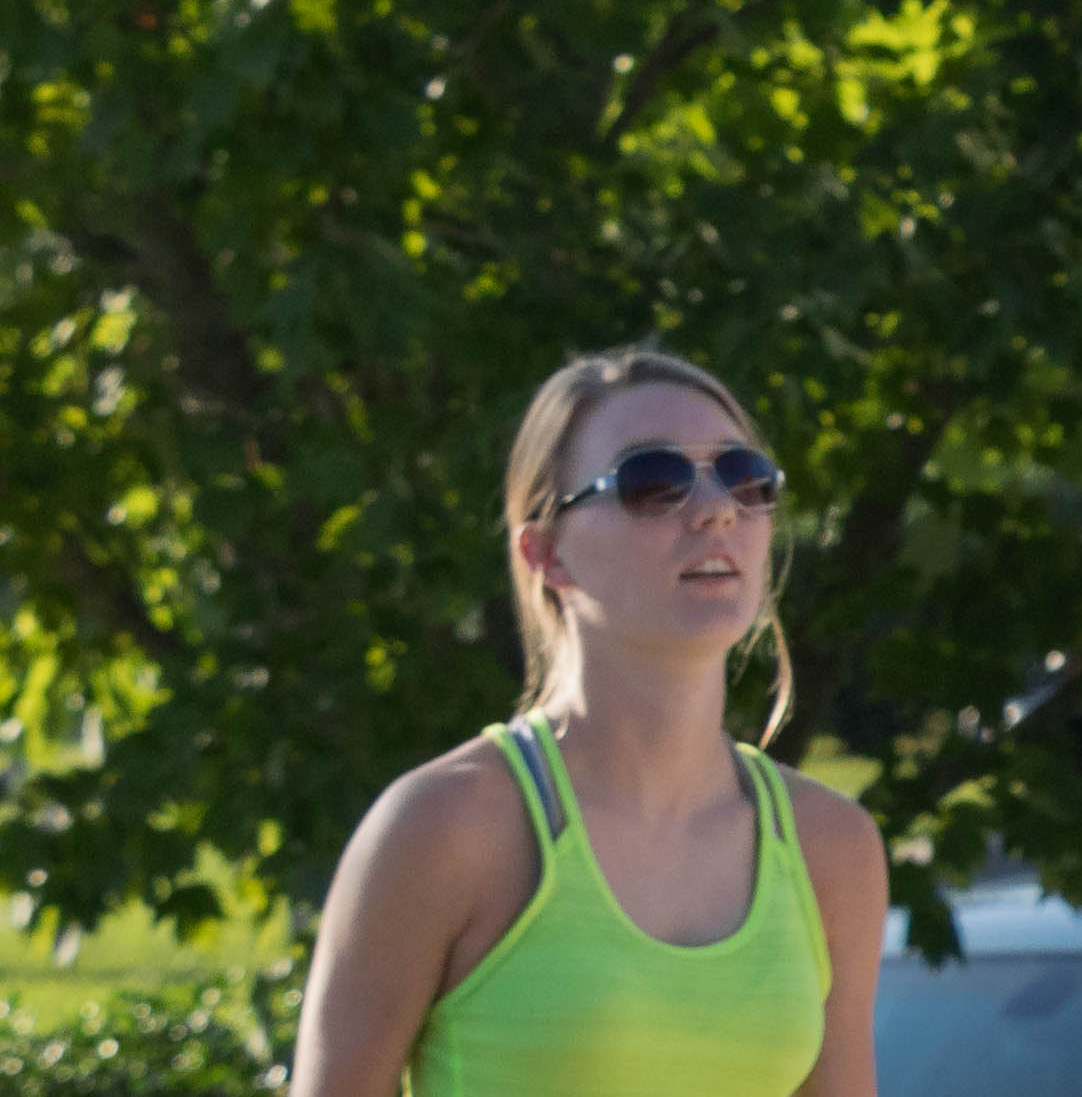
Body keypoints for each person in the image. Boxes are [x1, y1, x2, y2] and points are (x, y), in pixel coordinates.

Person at [292, 347, 885, 1097]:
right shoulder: (447, 826)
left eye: (744, 475)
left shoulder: (831, 846)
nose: (716, 508)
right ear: (546, 552)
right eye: (653, 482)